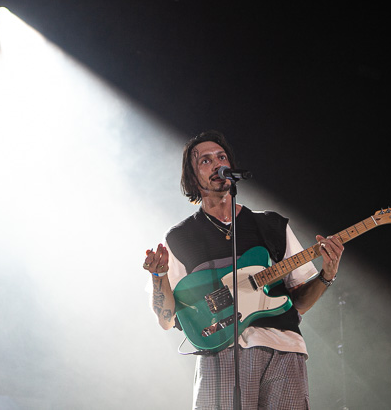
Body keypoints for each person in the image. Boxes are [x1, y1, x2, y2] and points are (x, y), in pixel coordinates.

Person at [143, 130, 344, 409]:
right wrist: (158, 277)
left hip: (285, 349)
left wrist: (327, 274)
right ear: (192, 178)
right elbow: (166, 320)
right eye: (205, 160)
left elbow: (300, 301)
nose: (216, 164)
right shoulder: (180, 238)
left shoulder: (271, 225)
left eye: (222, 157)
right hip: (221, 350)